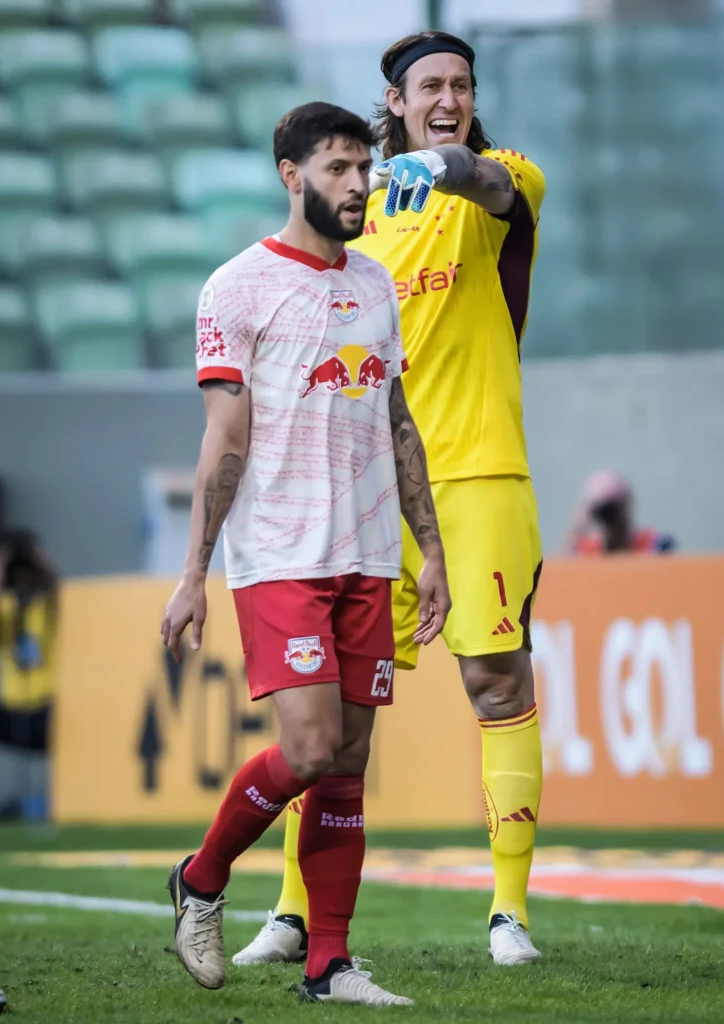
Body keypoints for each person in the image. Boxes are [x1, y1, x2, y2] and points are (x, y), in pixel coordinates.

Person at [236, 30, 547, 970]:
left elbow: (485, 184)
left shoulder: (503, 182)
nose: (448, 96)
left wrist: (438, 164)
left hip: (479, 473)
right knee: (327, 719)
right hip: (365, 489)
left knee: (496, 683)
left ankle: (507, 912)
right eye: (429, 87)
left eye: (461, 84)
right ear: (395, 99)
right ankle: (292, 913)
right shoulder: (354, 219)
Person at [160, 101, 450, 1007]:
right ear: (292, 176)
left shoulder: (374, 285)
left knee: (350, 760)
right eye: (337, 169)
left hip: (368, 554)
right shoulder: (235, 288)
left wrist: (429, 549)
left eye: (363, 168)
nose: (359, 184)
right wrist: (192, 573)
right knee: (311, 746)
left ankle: (329, 963)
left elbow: (398, 423)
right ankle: (202, 880)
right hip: (279, 553)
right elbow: (225, 437)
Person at [0, 530, 57, 828]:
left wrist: (43, 566)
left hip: (53, 711)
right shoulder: (2, 606)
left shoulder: (53, 603)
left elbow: (65, 596)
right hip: (13, 709)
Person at [568, 471, 676, 554]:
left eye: (612, 509)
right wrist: (577, 528)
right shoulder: (584, 551)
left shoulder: (656, 545)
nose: (608, 516)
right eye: (602, 510)